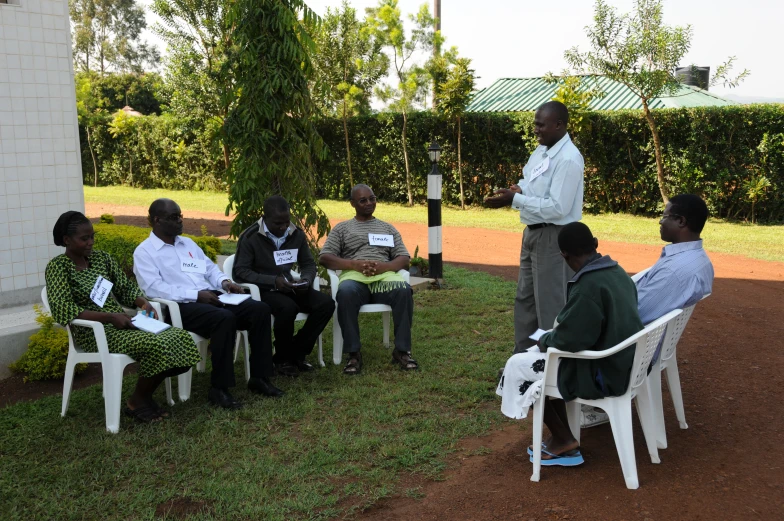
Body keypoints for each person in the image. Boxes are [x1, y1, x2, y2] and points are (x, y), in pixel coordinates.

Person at [497, 222, 643, 465]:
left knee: (519, 368)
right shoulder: (617, 272)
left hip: (601, 372)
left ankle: (563, 439)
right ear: (595, 243)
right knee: (532, 365)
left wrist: (545, 339)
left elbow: (570, 340)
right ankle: (564, 437)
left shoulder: (589, 285)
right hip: (622, 362)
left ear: (563, 255)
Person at [45, 211, 201, 423]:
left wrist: (143, 303)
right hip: (93, 332)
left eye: (92, 236)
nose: (91, 242)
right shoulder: (58, 268)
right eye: (84, 238)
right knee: (158, 344)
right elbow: (64, 310)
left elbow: (125, 288)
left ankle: (143, 396)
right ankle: (137, 401)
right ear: (66, 240)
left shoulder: (102, 259)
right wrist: (110, 317)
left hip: (122, 323)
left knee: (179, 338)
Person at [133, 198, 282, 410]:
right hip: (181, 307)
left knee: (260, 309)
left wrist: (225, 282)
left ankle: (260, 377)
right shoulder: (145, 252)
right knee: (224, 318)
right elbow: (154, 289)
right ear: (157, 220)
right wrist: (196, 294)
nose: (180, 221)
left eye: (180, 216)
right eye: (174, 217)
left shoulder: (187, 244)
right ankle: (219, 389)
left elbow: (209, 269)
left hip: (211, 296)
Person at [582, 194, 715, 428]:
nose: (661, 223)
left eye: (664, 218)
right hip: (651, 343)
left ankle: (586, 408)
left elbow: (631, 315)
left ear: (681, 222)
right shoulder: (696, 259)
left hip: (627, 352)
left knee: (565, 337)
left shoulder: (676, 271)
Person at [484, 101, 584, 354]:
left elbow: (558, 207)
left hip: (554, 236)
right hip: (532, 233)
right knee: (525, 301)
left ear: (559, 125)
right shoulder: (542, 151)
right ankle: (522, 362)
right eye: (535, 124)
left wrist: (515, 199)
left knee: (550, 304)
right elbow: (531, 183)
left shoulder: (569, 159)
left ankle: (548, 369)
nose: (536, 130)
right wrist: (517, 191)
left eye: (541, 125)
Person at [232, 196, 335, 376]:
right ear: (265, 218)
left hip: (289, 285)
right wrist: (272, 281)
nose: (283, 227)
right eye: (278, 223)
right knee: (288, 307)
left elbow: (308, 264)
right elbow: (240, 272)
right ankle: (282, 359)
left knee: (326, 304)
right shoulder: (250, 236)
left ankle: (296, 351)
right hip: (263, 290)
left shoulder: (296, 234)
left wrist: (306, 280)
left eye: (286, 222)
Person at [319, 184, 416, 375]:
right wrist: (354, 265)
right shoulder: (343, 229)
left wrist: (385, 267)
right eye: (363, 200)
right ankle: (354, 353)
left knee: (403, 289)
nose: (369, 203)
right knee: (345, 292)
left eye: (372, 198)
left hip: (384, 278)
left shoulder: (387, 228)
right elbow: (325, 257)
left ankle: (402, 351)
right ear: (352, 203)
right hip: (355, 278)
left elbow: (404, 258)